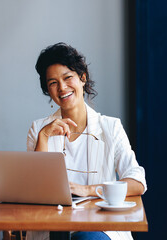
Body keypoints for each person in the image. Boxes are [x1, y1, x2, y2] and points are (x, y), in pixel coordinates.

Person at [26, 42, 147, 240]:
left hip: (99, 228)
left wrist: (88, 190)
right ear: (48, 90)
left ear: (83, 78)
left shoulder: (110, 127)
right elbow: (36, 190)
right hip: (52, 227)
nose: (62, 88)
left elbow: (137, 182)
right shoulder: (39, 130)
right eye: (53, 83)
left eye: (68, 78)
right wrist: (44, 137)